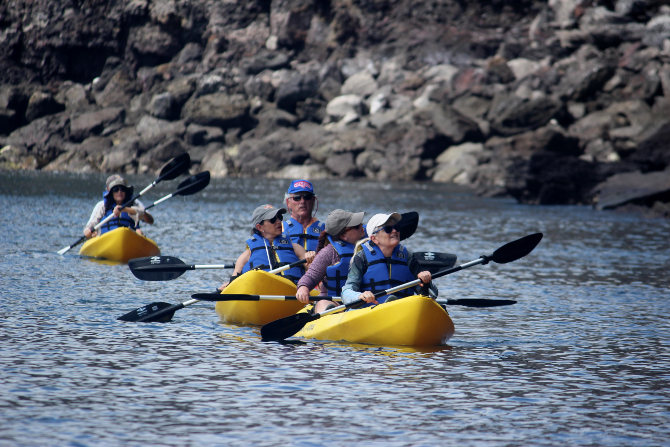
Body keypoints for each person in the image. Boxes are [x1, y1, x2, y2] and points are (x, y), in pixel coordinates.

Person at [341, 212, 433, 307]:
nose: (395, 231)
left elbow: (430, 294)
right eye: (388, 229)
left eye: (396, 227)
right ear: (374, 238)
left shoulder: (408, 257)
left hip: (404, 309)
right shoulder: (362, 258)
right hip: (372, 310)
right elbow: (347, 291)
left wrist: (426, 282)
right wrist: (359, 296)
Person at [221, 204, 313, 289]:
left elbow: (314, 272)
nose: (278, 221)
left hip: (292, 291)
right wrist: (228, 286)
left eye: (279, 217)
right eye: (273, 219)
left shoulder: (295, 248)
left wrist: (311, 258)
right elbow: (234, 279)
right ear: (260, 227)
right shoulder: (247, 254)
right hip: (261, 292)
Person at [295, 209, 366, 313]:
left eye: (361, 224)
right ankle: (330, 314)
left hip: (361, 300)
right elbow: (311, 276)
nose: (362, 227)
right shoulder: (329, 252)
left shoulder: (369, 248)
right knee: (324, 303)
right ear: (343, 235)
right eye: (356, 226)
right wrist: (303, 288)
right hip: (335, 301)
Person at [83, 174, 153, 238]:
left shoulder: (135, 203)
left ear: (126, 191)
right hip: (106, 238)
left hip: (129, 238)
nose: (119, 192)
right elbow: (92, 222)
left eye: (122, 189)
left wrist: (125, 209)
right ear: (111, 192)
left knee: (139, 232)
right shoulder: (102, 205)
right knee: (93, 234)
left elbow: (150, 220)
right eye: (116, 189)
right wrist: (88, 230)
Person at [283, 179, 325, 256]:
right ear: (288, 202)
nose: (302, 201)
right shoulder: (279, 229)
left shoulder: (325, 230)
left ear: (313, 201)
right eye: (297, 198)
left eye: (307, 197)